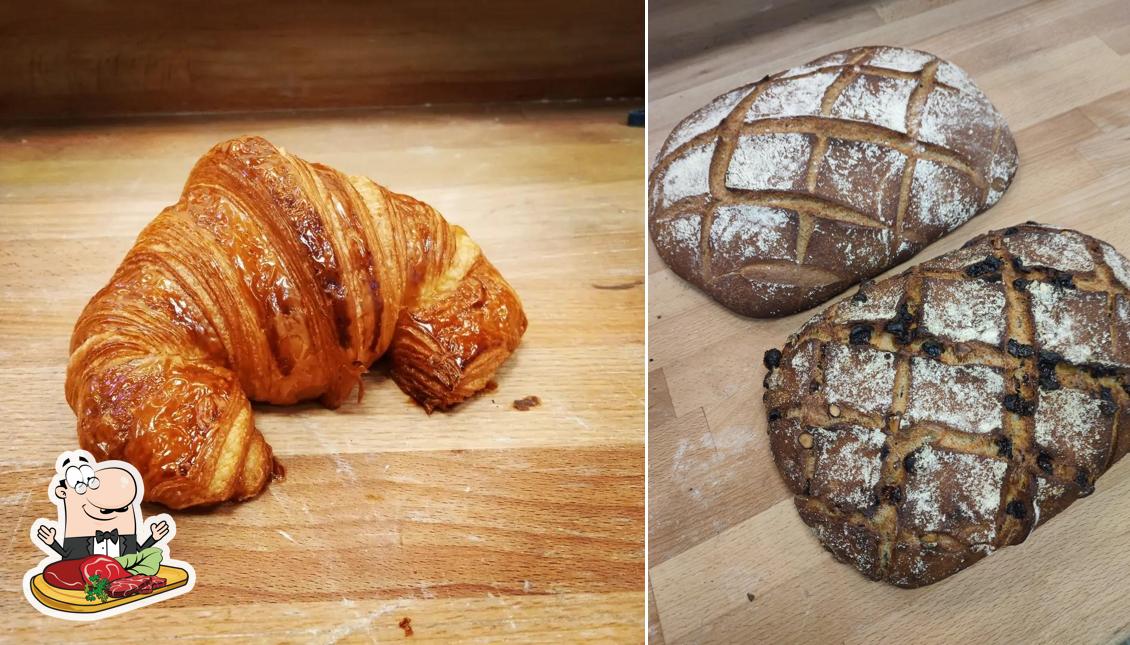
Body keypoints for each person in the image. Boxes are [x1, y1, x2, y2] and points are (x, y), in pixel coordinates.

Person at [36, 453, 169, 574]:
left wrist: (153, 538)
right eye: (105, 510)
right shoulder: (78, 536)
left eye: (123, 509)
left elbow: (136, 554)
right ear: (62, 493)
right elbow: (68, 558)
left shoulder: (124, 535)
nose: (113, 513)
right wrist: (52, 542)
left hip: (123, 579)